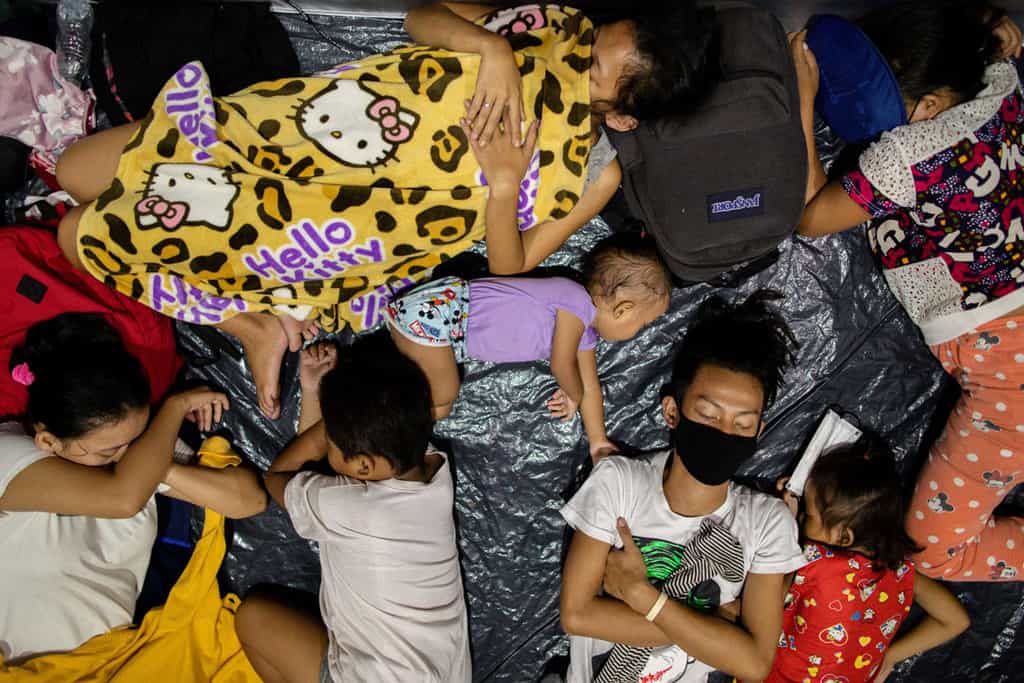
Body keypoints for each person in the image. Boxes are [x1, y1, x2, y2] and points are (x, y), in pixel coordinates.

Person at [52, 2, 715, 422]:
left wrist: (504, 185)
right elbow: (418, 18)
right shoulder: (546, 27)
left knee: (76, 234)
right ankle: (252, 324)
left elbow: (512, 270)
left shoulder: (595, 175)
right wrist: (490, 51)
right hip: (290, 132)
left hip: (336, 226)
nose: (576, 57)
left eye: (593, 69)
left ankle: (247, 323)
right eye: (596, 38)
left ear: (623, 114)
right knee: (71, 171)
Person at [791, 1, 1024, 581]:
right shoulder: (999, 88)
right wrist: (992, 27)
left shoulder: (910, 154)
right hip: (1008, 366)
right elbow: (997, 41)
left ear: (931, 107)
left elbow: (810, 216)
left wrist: (798, 95)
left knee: (931, 549)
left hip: (1010, 381)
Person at [558, 290, 805, 682]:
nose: (725, 433)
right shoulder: (619, 482)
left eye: (742, 424)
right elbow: (576, 614)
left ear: (758, 431)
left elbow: (756, 664)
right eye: (708, 415)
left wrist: (643, 597)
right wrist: (717, 629)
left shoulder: (768, 521)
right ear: (673, 411)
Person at [0, 313, 266, 664]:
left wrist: (158, 464)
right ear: (49, 440)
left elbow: (247, 499)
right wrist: (175, 407)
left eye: (135, 441)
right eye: (109, 450)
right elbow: (122, 498)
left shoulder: (134, 463)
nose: (127, 453)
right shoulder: (8, 454)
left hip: (115, 661)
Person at [235, 336, 471, 683]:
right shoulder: (433, 469)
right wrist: (343, 417)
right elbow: (318, 477)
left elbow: (280, 476)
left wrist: (322, 406)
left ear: (363, 466)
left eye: (329, 441)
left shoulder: (354, 509)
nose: (324, 443)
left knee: (252, 618)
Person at [386, 232, 671, 459]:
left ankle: (378, 402)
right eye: (643, 324)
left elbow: (589, 385)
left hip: (444, 334)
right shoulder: (573, 300)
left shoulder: (585, 333)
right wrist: (572, 392)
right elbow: (562, 365)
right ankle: (380, 418)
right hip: (440, 314)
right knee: (442, 398)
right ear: (623, 308)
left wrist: (597, 439)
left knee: (441, 407)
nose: (640, 332)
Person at [766, 441, 970, 683]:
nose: (802, 516)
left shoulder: (816, 564)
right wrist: (889, 656)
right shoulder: (900, 572)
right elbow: (956, 620)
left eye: (808, 514)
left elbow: (766, 598)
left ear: (844, 536)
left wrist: (785, 521)